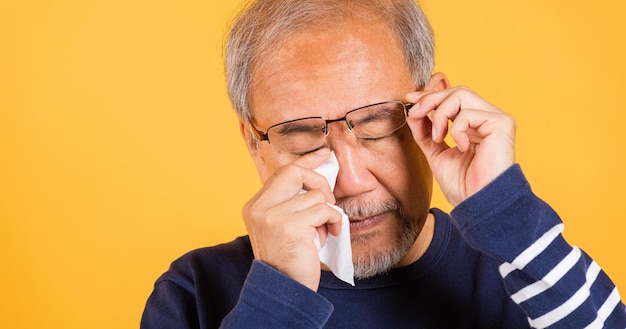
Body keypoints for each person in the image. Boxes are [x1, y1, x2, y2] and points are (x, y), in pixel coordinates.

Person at [140, 0, 626, 327]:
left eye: (377, 124)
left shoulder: (523, 270)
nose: (350, 181)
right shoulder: (196, 294)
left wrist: (506, 211)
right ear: (255, 144)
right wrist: (279, 298)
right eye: (304, 137)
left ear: (434, 110)